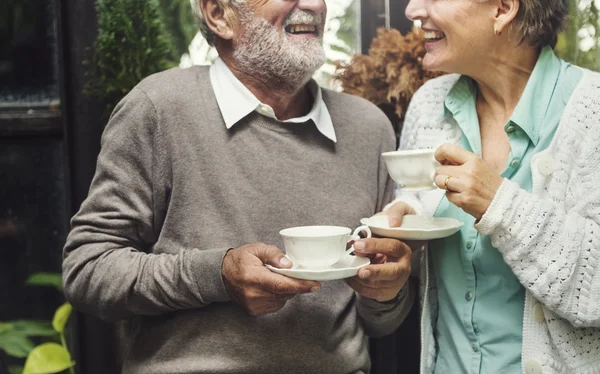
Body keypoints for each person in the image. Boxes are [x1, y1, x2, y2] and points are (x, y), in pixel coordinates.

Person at [62, 0, 415, 372]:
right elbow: (88, 269)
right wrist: (218, 275)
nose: (312, 4)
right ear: (218, 14)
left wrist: (386, 291)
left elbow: (381, 322)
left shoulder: (369, 128)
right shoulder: (158, 108)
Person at [381, 0, 600, 373]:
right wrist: (404, 228)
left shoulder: (592, 110)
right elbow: (417, 200)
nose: (413, 10)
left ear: (502, 8)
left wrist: (499, 203)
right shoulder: (429, 104)